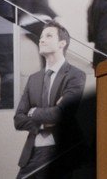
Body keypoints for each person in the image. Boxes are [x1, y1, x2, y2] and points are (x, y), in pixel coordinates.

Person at [13, 20, 87, 179]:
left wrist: (33, 112)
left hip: (60, 151)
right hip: (33, 152)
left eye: (48, 36)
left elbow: (62, 114)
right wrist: (43, 122)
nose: (41, 40)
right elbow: (18, 119)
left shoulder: (75, 75)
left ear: (62, 44)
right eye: (41, 37)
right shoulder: (33, 79)